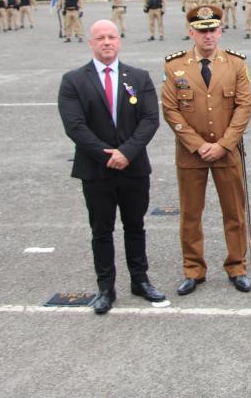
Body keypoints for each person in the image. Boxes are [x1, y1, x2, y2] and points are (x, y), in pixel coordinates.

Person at [58, 19, 165, 314]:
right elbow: (75, 126)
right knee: (101, 230)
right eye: (100, 38)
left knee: (135, 226)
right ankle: (106, 287)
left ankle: (140, 281)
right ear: (90, 43)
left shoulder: (139, 77)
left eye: (111, 37)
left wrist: (126, 153)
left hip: (133, 167)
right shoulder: (73, 81)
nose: (107, 42)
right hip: (96, 170)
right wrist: (108, 155)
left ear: (119, 41)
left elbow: (149, 120)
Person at [161, 5, 251, 295]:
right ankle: (193, 269)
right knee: (191, 214)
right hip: (191, 154)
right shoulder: (175, 66)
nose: (208, 36)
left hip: (227, 152)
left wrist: (224, 144)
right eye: (202, 31)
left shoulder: (236, 64)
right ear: (191, 33)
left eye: (212, 30)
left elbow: (244, 106)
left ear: (220, 31)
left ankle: (237, 266)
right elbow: (170, 110)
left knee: (234, 213)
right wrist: (199, 145)